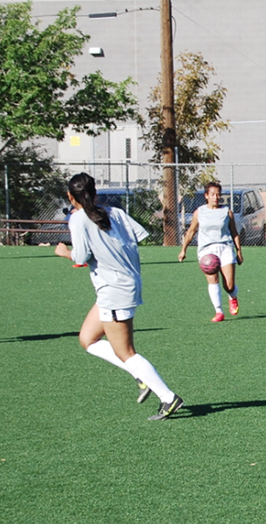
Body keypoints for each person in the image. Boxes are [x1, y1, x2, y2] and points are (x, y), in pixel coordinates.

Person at [55, 173, 183, 421]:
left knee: (126, 352)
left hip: (115, 290)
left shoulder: (79, 219)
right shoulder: (114, 212)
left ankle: (168, 398)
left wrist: (63, 252)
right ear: (95, 193)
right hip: (121, 286)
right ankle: (139, 374)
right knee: (87, 339)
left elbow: (80, 257)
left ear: (71, 197)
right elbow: (138, 236)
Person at [178, 182, 243, 323]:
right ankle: (219, 311)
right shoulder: (199, 212)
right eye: (213, 194)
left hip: (225, 248)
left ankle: (233, 296)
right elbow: (191, 231)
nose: (216, 197)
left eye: (218, 194)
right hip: (207, 251)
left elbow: (234, 233)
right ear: (206, 196)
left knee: (229, 285)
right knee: (213, 280)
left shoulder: (227, 212)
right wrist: (183, 250)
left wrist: (239, 252)